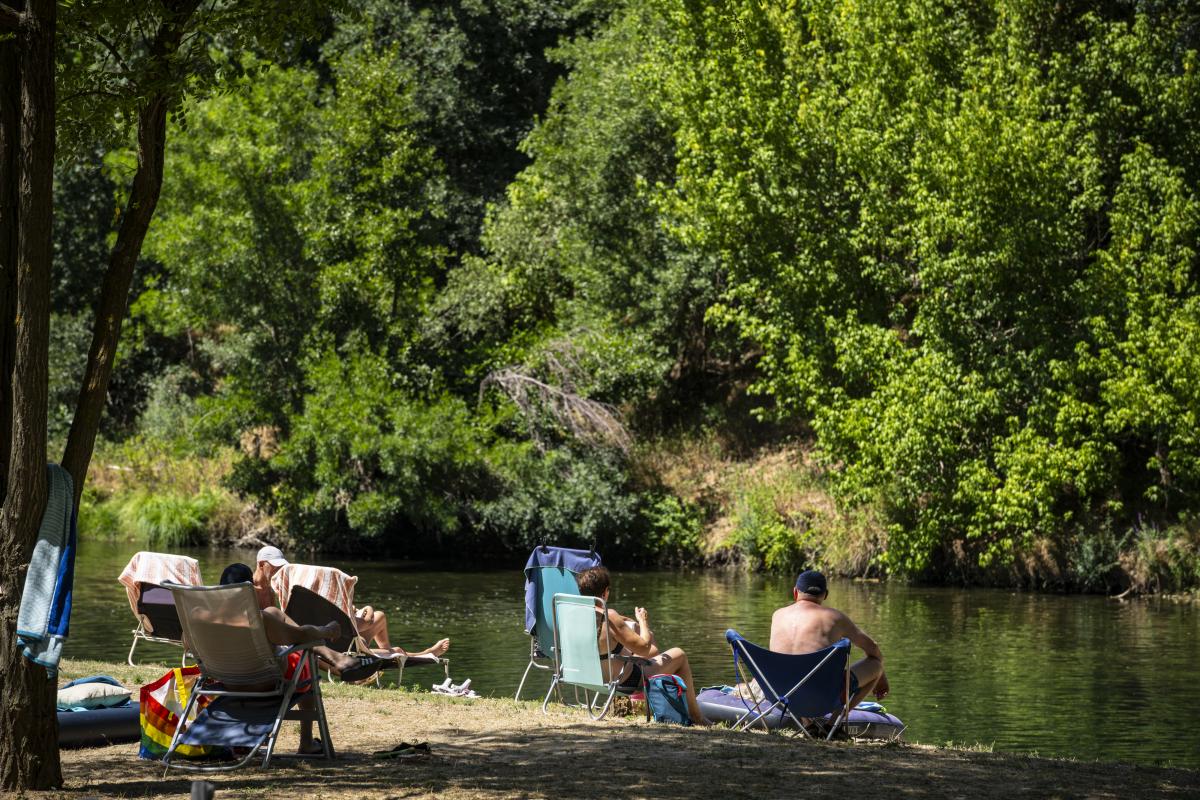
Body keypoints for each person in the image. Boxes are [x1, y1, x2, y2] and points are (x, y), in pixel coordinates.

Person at [218, 563, 385, 754]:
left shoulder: (201, 618)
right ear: (249, 591)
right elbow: (301, 634)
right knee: (305, 657)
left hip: (225, 684)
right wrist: (328, 630)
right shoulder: (260, 619)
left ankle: (336, 660)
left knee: (274, 614)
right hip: (265, 683)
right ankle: (306, 742)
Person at [252, 546, 449, 660]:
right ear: (261, 565)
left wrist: (356, 611)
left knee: (379, 617)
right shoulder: (254, 591)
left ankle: (414, 654)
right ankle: (423, 654)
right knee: (385, 644)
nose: (279, 572)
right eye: (274, 567)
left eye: (281, 567)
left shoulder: (281, 587)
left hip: (325, 635)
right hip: (309, 641)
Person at [575, 566, 710, 726]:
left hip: (588, 676)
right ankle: (696, 716)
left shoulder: (574, 613)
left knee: (649, 650)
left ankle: (653, 705)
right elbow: (645, 647)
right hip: (625, 680)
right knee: (679, 655)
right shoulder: (609, 616)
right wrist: (642, 621)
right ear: (605, 592)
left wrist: (622, 620)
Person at [769, 569, 889, 711]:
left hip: (778, 694)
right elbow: (872, 648)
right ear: (825, 595)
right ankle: (835, 721)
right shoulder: (835, 618)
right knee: (876, 665)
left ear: (795, 592)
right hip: (819, 698)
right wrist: (881, 675)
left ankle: (805, 720)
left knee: (792, 671)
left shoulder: (777, 615)